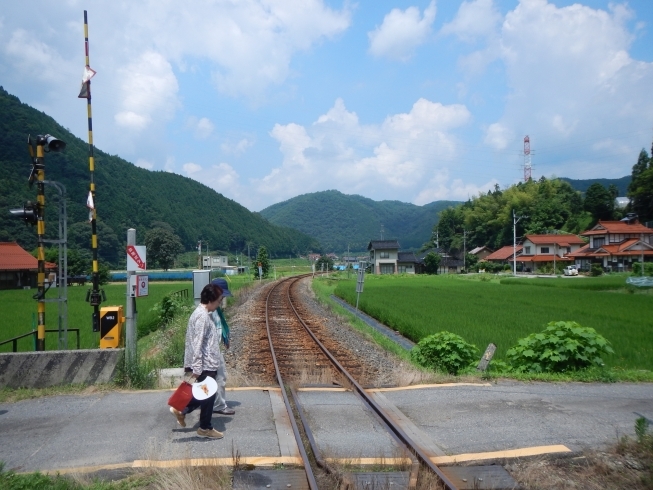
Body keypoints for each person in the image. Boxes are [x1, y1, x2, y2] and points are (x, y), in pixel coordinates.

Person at [169, 283, 224, 439]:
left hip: (206, 363)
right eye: (219, 300)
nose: (219, 304)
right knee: (207, 394)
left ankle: (183, 411)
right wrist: (197, 367)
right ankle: (204, 427)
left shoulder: (203, 314)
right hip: (204, 364)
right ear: (211, 299)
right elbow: (197, 343)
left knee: (206, 394)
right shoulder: (201, 316)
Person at [210, 277, 235, 415]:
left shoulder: (215, 308)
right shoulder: (210, 309)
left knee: (215, 377)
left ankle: (211, 402)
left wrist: (225, 338)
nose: (223, 298)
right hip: (211, 350)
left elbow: (220, 326)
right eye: (222, 295)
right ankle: (218, 405)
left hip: (213, 348)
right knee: (220, 376)